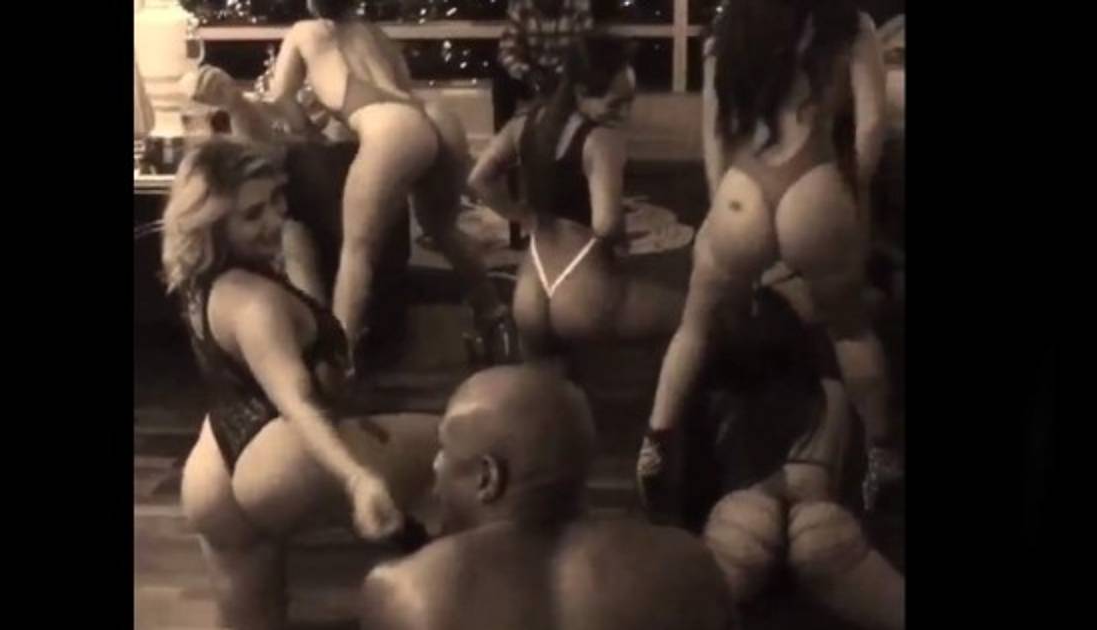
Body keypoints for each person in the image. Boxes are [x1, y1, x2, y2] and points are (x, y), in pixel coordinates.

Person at [161, 139, 441, 630]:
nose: (273, 219)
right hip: (278, 456)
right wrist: (356, 478)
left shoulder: (205, 282)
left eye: (276, 200)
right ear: (213, 222)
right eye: (252, 214)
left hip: (213, 470)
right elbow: (297, 401)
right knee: (458, 446)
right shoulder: (255, 305)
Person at [640, 0, 900, 511]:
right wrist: (848, 196)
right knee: (850, 331)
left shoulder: (728, 24)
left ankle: (655, 443)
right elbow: (871, 128)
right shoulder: (850, 24)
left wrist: (719, 209)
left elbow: (715, 134)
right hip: (814, 185)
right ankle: (883, 454)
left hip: (744, 188)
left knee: (695, 327)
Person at [196, 0, 517, 373]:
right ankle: (495, 319)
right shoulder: (374, 34)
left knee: (357, 251)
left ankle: (338, 359)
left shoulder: (305, 32)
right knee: (443, 229)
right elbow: (389, 91)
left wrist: (303, 127)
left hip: (392, 129)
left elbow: (283, 103)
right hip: (434, 117)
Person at [359, 365, 735, 630]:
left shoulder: (405, 593)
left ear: (488, 477)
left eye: (444, 450)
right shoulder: (689, 566)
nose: (435, 466)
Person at [641, 270, 905, 630]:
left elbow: (673, 486)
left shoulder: (715, 397)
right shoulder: (835, 390)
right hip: (820, 517)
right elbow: (866, 479)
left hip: (744, 515)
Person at [469, 38, 683, 359]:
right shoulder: (602, 139)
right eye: (615, 104)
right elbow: (606, 224)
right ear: (581, 92)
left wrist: (521, 216)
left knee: (545, 381)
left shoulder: (524, 124)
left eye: (630, 102)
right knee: (694, 315)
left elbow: (478, 179)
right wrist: (623, 242)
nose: (625, 114)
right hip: (583, 290)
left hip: (529, 290)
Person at [495, 0, 595, 129]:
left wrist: (561, 74)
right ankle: (504, 132)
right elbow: (507, 50)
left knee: (588, 72)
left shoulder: (579, 5)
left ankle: (579, 131)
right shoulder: (521, 5)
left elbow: (585, 49)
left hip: (567, 71)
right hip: (532, 69)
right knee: (502, 75)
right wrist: (526, 73)